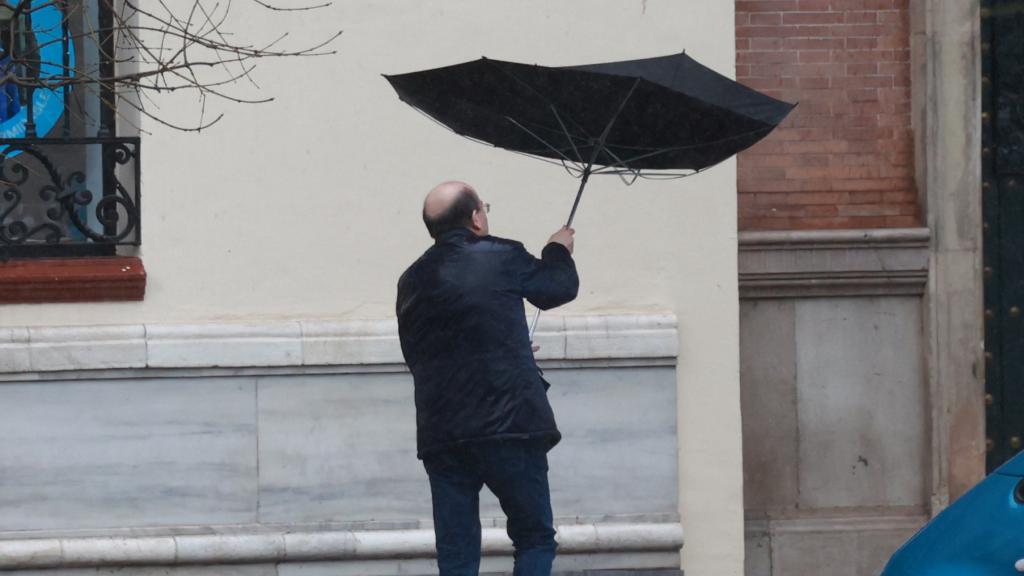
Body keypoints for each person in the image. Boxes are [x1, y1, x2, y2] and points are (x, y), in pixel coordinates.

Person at [396, 180, 579, 576]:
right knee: (534, 538)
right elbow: (557, 288)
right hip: (510, 424)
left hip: (443, 434)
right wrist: (557, 250)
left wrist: (509, 346)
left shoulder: (410, 280)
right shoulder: (502, 255)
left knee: (457, 555)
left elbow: (419, 354)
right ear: (476, 217)